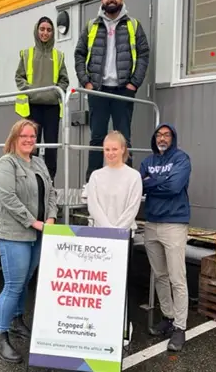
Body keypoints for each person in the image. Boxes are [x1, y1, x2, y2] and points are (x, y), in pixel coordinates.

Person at [0, 119, 58, 363]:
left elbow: (52, 192)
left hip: (40, 232)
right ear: (14, 138)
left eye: (33, 136)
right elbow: (8, 198)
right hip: (13, 234)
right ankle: (1, 337)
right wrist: (34, 222)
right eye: (24, 136)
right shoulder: (6, 164)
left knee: (25, 281)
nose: (29, 140)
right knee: (13, 285)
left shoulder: (38, 161)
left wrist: (50, 217)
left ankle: (18, 320)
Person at [74, 0, 150, 197]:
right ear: (102, 0)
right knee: (97, 138)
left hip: (123, 90)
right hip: (98, 89)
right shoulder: (91, 26)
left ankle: (127, 186)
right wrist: (86, 82)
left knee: (123, 137)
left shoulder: (133, 25)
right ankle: (91, 184)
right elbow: (79, 54)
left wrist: (134, 83)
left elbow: (144, 54)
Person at [87, 130, 143, 348]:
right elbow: (94, 206)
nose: (110, 153)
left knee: (121, 284)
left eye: (114, 149)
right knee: (100, 285)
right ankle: (100, 325)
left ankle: (122, 327)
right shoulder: (96, 176)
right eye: (107, 149)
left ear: (123, 150)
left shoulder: (133, 176)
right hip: (101, 238)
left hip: (123, 238)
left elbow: (132, 208)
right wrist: (108, 231)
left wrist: (117, 233)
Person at [139, 123, 192, 352]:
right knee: (160, 275)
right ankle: (168, 318)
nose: (163, 138)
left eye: (167, 135)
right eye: (159, 134)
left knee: (177, 278)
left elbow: (174, 187)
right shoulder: (147, 162)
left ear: (173, 138)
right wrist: (156, 182)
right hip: (151, 223)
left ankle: (180, 328)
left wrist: (153, 183)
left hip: (174, 224)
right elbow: (140, 185)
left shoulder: (181, 159)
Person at [15, 16, 69, 182]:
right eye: (42, 29)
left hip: (52, 107)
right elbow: (19, 78)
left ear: (52, 33)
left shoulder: (58, 56)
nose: (45, 33)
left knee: (52, 146)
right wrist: (32, 91)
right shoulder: (27, 54)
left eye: (49, 30)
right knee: (31, 144)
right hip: (33, 107)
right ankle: (31, 179)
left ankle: (50, 181)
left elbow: (64, 81)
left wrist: (54, 93)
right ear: (36, 31)